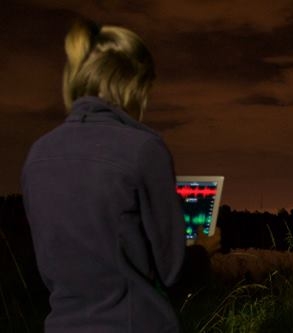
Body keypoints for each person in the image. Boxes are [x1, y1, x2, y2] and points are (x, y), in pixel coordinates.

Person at [21, 19, 187, 332]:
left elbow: (50, 270)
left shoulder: (37, 154)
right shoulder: (144, 149)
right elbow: (172, 270)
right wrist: (204, 251)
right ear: (133, 84)